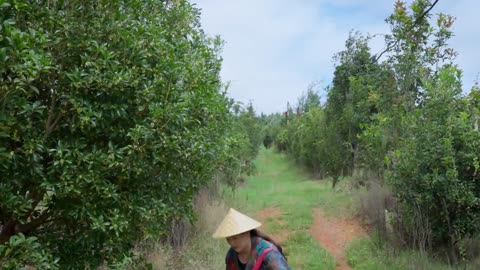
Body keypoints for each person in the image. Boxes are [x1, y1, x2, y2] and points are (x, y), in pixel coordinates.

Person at [213, 208, 292, 270]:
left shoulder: (269, 255)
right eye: (228, 239)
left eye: (235, 238)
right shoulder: (231, 255)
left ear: (247, 232)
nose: (231, 243)